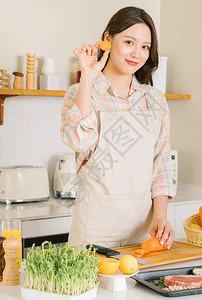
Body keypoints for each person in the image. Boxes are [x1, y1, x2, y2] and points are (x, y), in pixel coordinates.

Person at [61, 6, 176, 249]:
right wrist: (87, 80)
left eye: (145, 46)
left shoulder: (155, 99)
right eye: (129, 42)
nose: (137, 53)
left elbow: (162, 162)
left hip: (142, 233)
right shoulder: (79, 92)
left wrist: (160, 217)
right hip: (94, 231)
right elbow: (77, 141)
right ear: (107, 39)